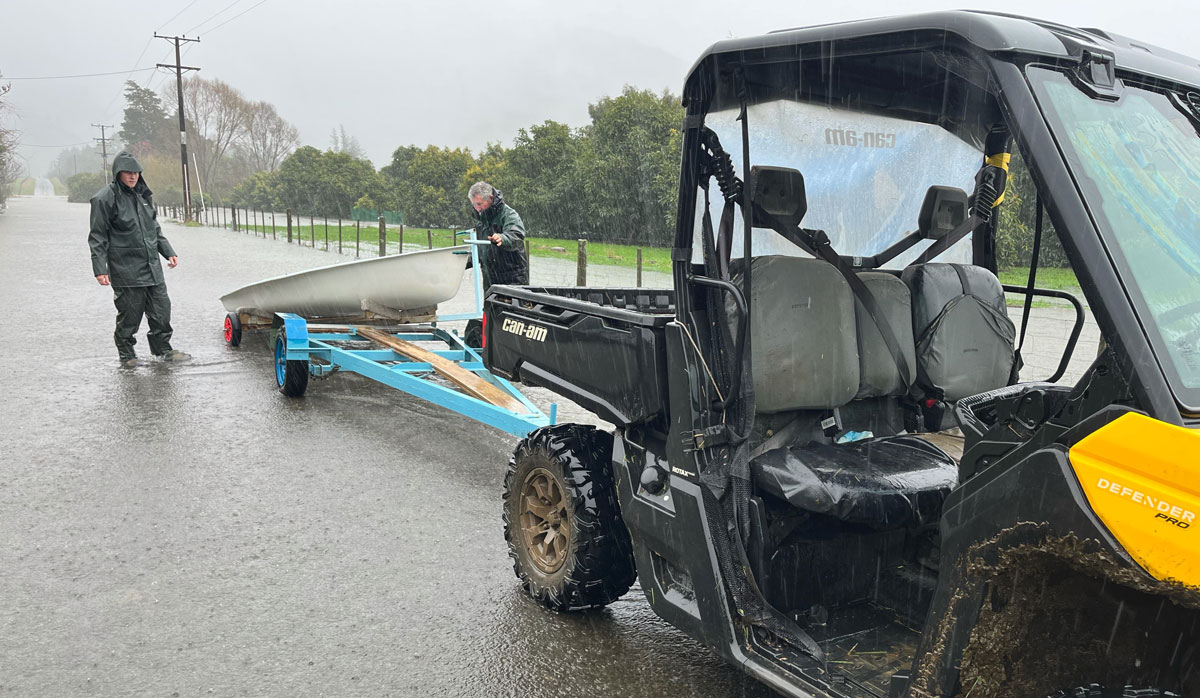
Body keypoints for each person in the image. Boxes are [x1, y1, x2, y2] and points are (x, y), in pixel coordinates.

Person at [89, 152, 189, 367]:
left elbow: (154, 229)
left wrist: (168, 251)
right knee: (130, 316)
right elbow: (97, 236)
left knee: (162, 312)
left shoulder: (143, 196)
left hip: (152, 268)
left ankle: (163, 350)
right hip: (126, 269)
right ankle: (127, 355)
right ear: (118, 173)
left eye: (136, 172)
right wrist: (100, 269)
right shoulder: (104, 198)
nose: (133, 176)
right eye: (128, 172)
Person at [465, 181, 528, 346]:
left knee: (513, 319)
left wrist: (502, 238)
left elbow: (516, 234)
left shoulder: (509, 215)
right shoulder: (480, 218)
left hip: (512, 276)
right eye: (474, 204)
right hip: (490, 276)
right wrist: (461, 262)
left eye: (479, 204)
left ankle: (513, 350)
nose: (477, 208)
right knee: (491, 313)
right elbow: (480, 249)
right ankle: (492, 350)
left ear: (490, 198)